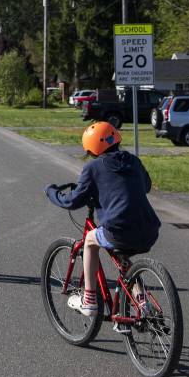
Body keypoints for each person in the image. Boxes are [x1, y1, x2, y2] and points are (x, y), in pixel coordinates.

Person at [45, 121, 160, 317]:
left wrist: (52, 192)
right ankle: (143, 304)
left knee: (90, 240)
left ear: (91, 148)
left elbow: (72, 201)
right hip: (149, 228)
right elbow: (146, 186)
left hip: (119, 230)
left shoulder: (93, 167)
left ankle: (89, 300)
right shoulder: (133, 161)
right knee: (123, 260)